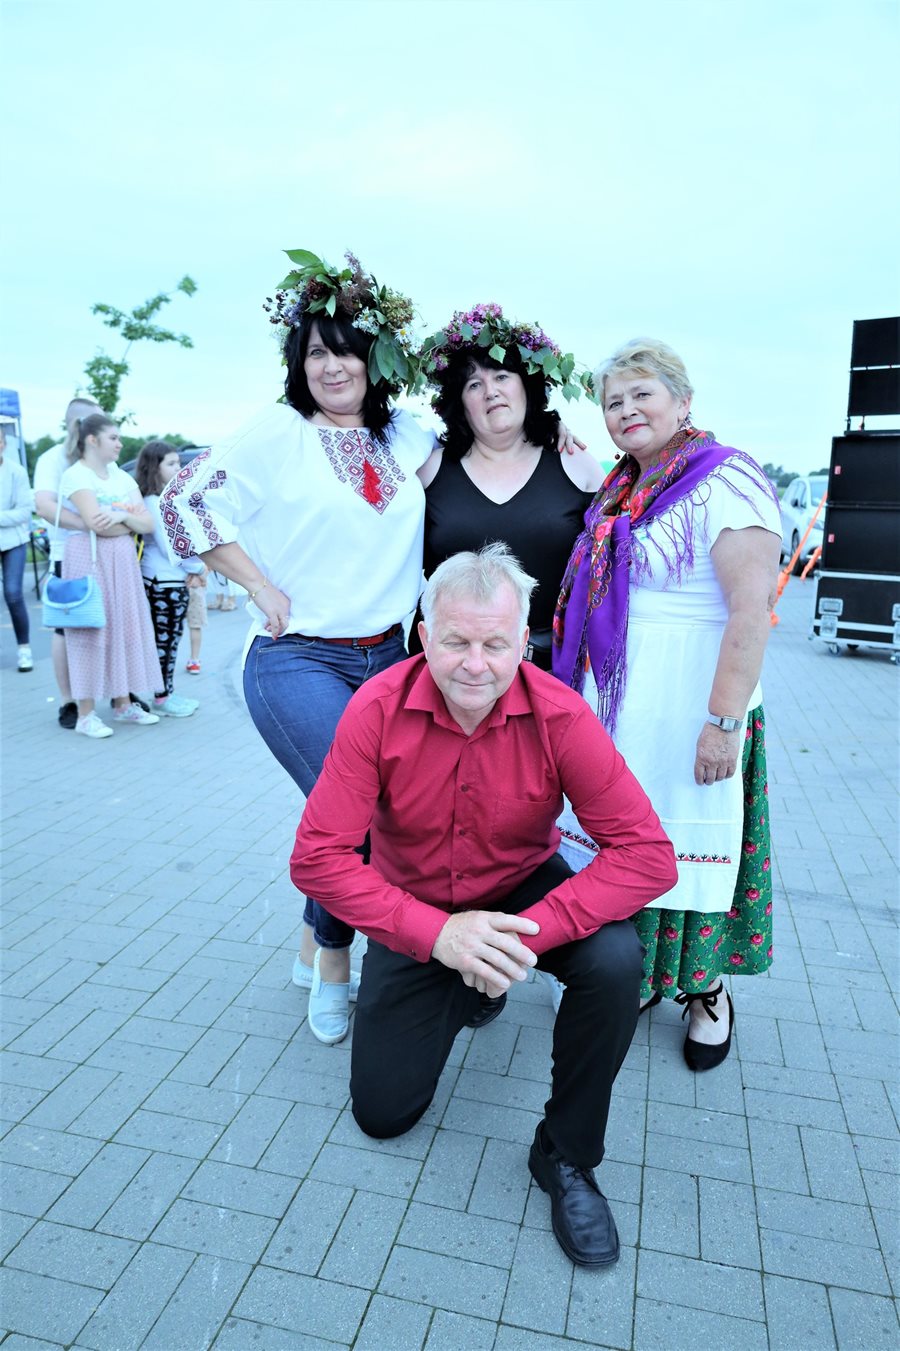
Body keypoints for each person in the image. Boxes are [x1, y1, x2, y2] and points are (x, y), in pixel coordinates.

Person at [291, 544, 677, 1267]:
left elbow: (648, 854)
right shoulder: (375, 709)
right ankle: (471, 987)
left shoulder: (561, 714)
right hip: (416, 909)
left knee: (615, 956)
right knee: (383, 1114)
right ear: (423, 635)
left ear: (523, 640)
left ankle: (565, 1153)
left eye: (495, 644)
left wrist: (521, 937)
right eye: (456, 642)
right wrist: (439, 935)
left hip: (517, 890)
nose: (475, 664)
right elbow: (316, 858)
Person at [161, 249, 434, 1043]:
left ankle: (313, 937)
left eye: (347, 348)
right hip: (297, 657)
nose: (332, 365)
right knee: (358, 807)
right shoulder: (278, 431)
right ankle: (335, 960)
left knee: (354, 809)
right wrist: (256, 583)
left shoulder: (406, 434)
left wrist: (556, 442)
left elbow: (487, 466)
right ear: (298, 360)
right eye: (316, 351)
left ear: (376, 358)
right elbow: (184, 502)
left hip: (390, 657)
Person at [553, 339, 782, 1071]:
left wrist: (723, 724)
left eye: (641, 394)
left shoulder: (725, 479)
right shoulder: (622, 487)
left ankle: (707, 990)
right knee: (626, 843)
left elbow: (751, 613)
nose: (626, 410)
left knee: (688, 847)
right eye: (612, 401)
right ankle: (644, 976)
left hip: (693, 709)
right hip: (626, 712)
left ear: (683, 401)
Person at [413, 303, 604, 671]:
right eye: (474, 385)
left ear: (526, 386)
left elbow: (608, 569)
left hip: (550, 670)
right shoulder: (430, 470)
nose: (491, 392)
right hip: (448, 669)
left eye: (502, 376)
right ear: (459, 403)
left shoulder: (575, 463)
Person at [59, 414, 163, 738]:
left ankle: (123, 703)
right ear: (92, 440)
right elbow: (96, 524)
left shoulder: (120, 476)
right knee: (89, 632)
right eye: (113, 438)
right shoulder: (76, 475)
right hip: (89, 560)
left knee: (125, 629)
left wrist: (119, 516)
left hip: (122, 561)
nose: (119, 444)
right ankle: (85, 714)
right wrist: (129, 520)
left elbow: (148, 524)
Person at [33, 397, 101, 721]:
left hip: (104, 555)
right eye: (95, 421)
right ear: (77, 425)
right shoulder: (52, 459)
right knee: (67, 629)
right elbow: (45, 506)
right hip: (68, 554)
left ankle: (121, 695)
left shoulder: (102, 459)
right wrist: (92, 526)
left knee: (107, 623)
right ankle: (68, 701)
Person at [134, 440, 203, 717]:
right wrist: (197, 568)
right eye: (171, 463)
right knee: (165, 642)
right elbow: (171, 546)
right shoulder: (154, 502)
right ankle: (162, 697)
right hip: (163, 582)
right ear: (154, 467)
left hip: (168, 580)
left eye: (178, 463)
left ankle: (166, 693)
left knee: (169, 641)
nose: (178, 468)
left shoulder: (161, 500)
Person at [0, 426, 33, 672]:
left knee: (13, 593)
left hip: (13, 541)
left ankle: (24, 649)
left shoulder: (16, 472)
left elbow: (24, 512)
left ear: (3, 444)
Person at [184, 571, 207, 673]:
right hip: (195, 584)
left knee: (168, 626)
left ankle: (164, 660)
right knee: (195, 625)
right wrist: (202, 575)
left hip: (169, 582)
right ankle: (194, 660)